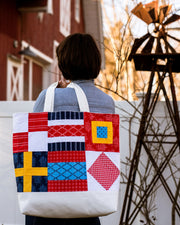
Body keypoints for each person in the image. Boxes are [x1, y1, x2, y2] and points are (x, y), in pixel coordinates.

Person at [26, 33, 115, 225]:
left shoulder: (49, 97)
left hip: (47, 205)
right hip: (89, 205)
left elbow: (34, 146)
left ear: (64, 63)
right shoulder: (107, 103)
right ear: (94, 62)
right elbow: (102, 155)